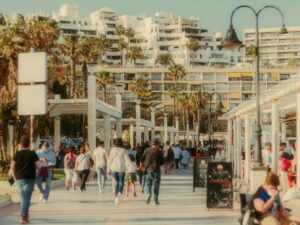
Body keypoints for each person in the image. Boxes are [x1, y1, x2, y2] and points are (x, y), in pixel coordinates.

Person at [10, 136, 40, 224]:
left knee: (23, 197)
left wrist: (15, 178)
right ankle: (24, 217)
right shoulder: (33, 154)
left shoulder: (17, 154)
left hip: (19, 179)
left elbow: (12, 167)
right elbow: (38, 166)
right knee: (26, 197)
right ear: (29, 144)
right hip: (30, 178)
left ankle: (24, 216)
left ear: (21, 144)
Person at [141, 139, 164, 205]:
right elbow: (162, 162)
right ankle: (156, 199)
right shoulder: (159, 151)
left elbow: (142, 159)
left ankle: (149, 194)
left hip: (148, 170)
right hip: (156, 170)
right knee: (156, 184)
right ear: (157, 144)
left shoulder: (147, 150)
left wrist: (142, 165)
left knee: (148, 183)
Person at [108, 138, 129, 204]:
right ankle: (119, 193)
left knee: (117, 182)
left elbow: (109, 160)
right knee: (121, 181)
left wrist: (108, 169)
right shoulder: (123, 150)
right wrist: (129, 167)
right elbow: (127, 159)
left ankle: (116, 196)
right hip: (121, 168)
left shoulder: (112, 150)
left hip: (113, 168)